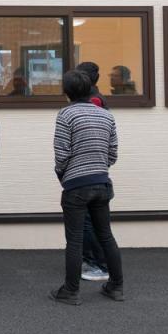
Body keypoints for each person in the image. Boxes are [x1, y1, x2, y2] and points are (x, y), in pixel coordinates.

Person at [50, 69, 124, 305]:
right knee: (106, 235)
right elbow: (112, 153)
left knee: (74, 239)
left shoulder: (66, 115)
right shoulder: (106, 115)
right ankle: (116, 286)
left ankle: (71, 291)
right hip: (101, 182)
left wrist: (63, 175)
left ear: (67, 91)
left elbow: (61, 154)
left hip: (76, 185)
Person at [74, 61, 110, 283]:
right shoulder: (91, 99)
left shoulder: (94, 101)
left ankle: (98, 263)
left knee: (90, 220)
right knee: (91, 219)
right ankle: (94, 260)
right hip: (93, 171)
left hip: (88, 172)